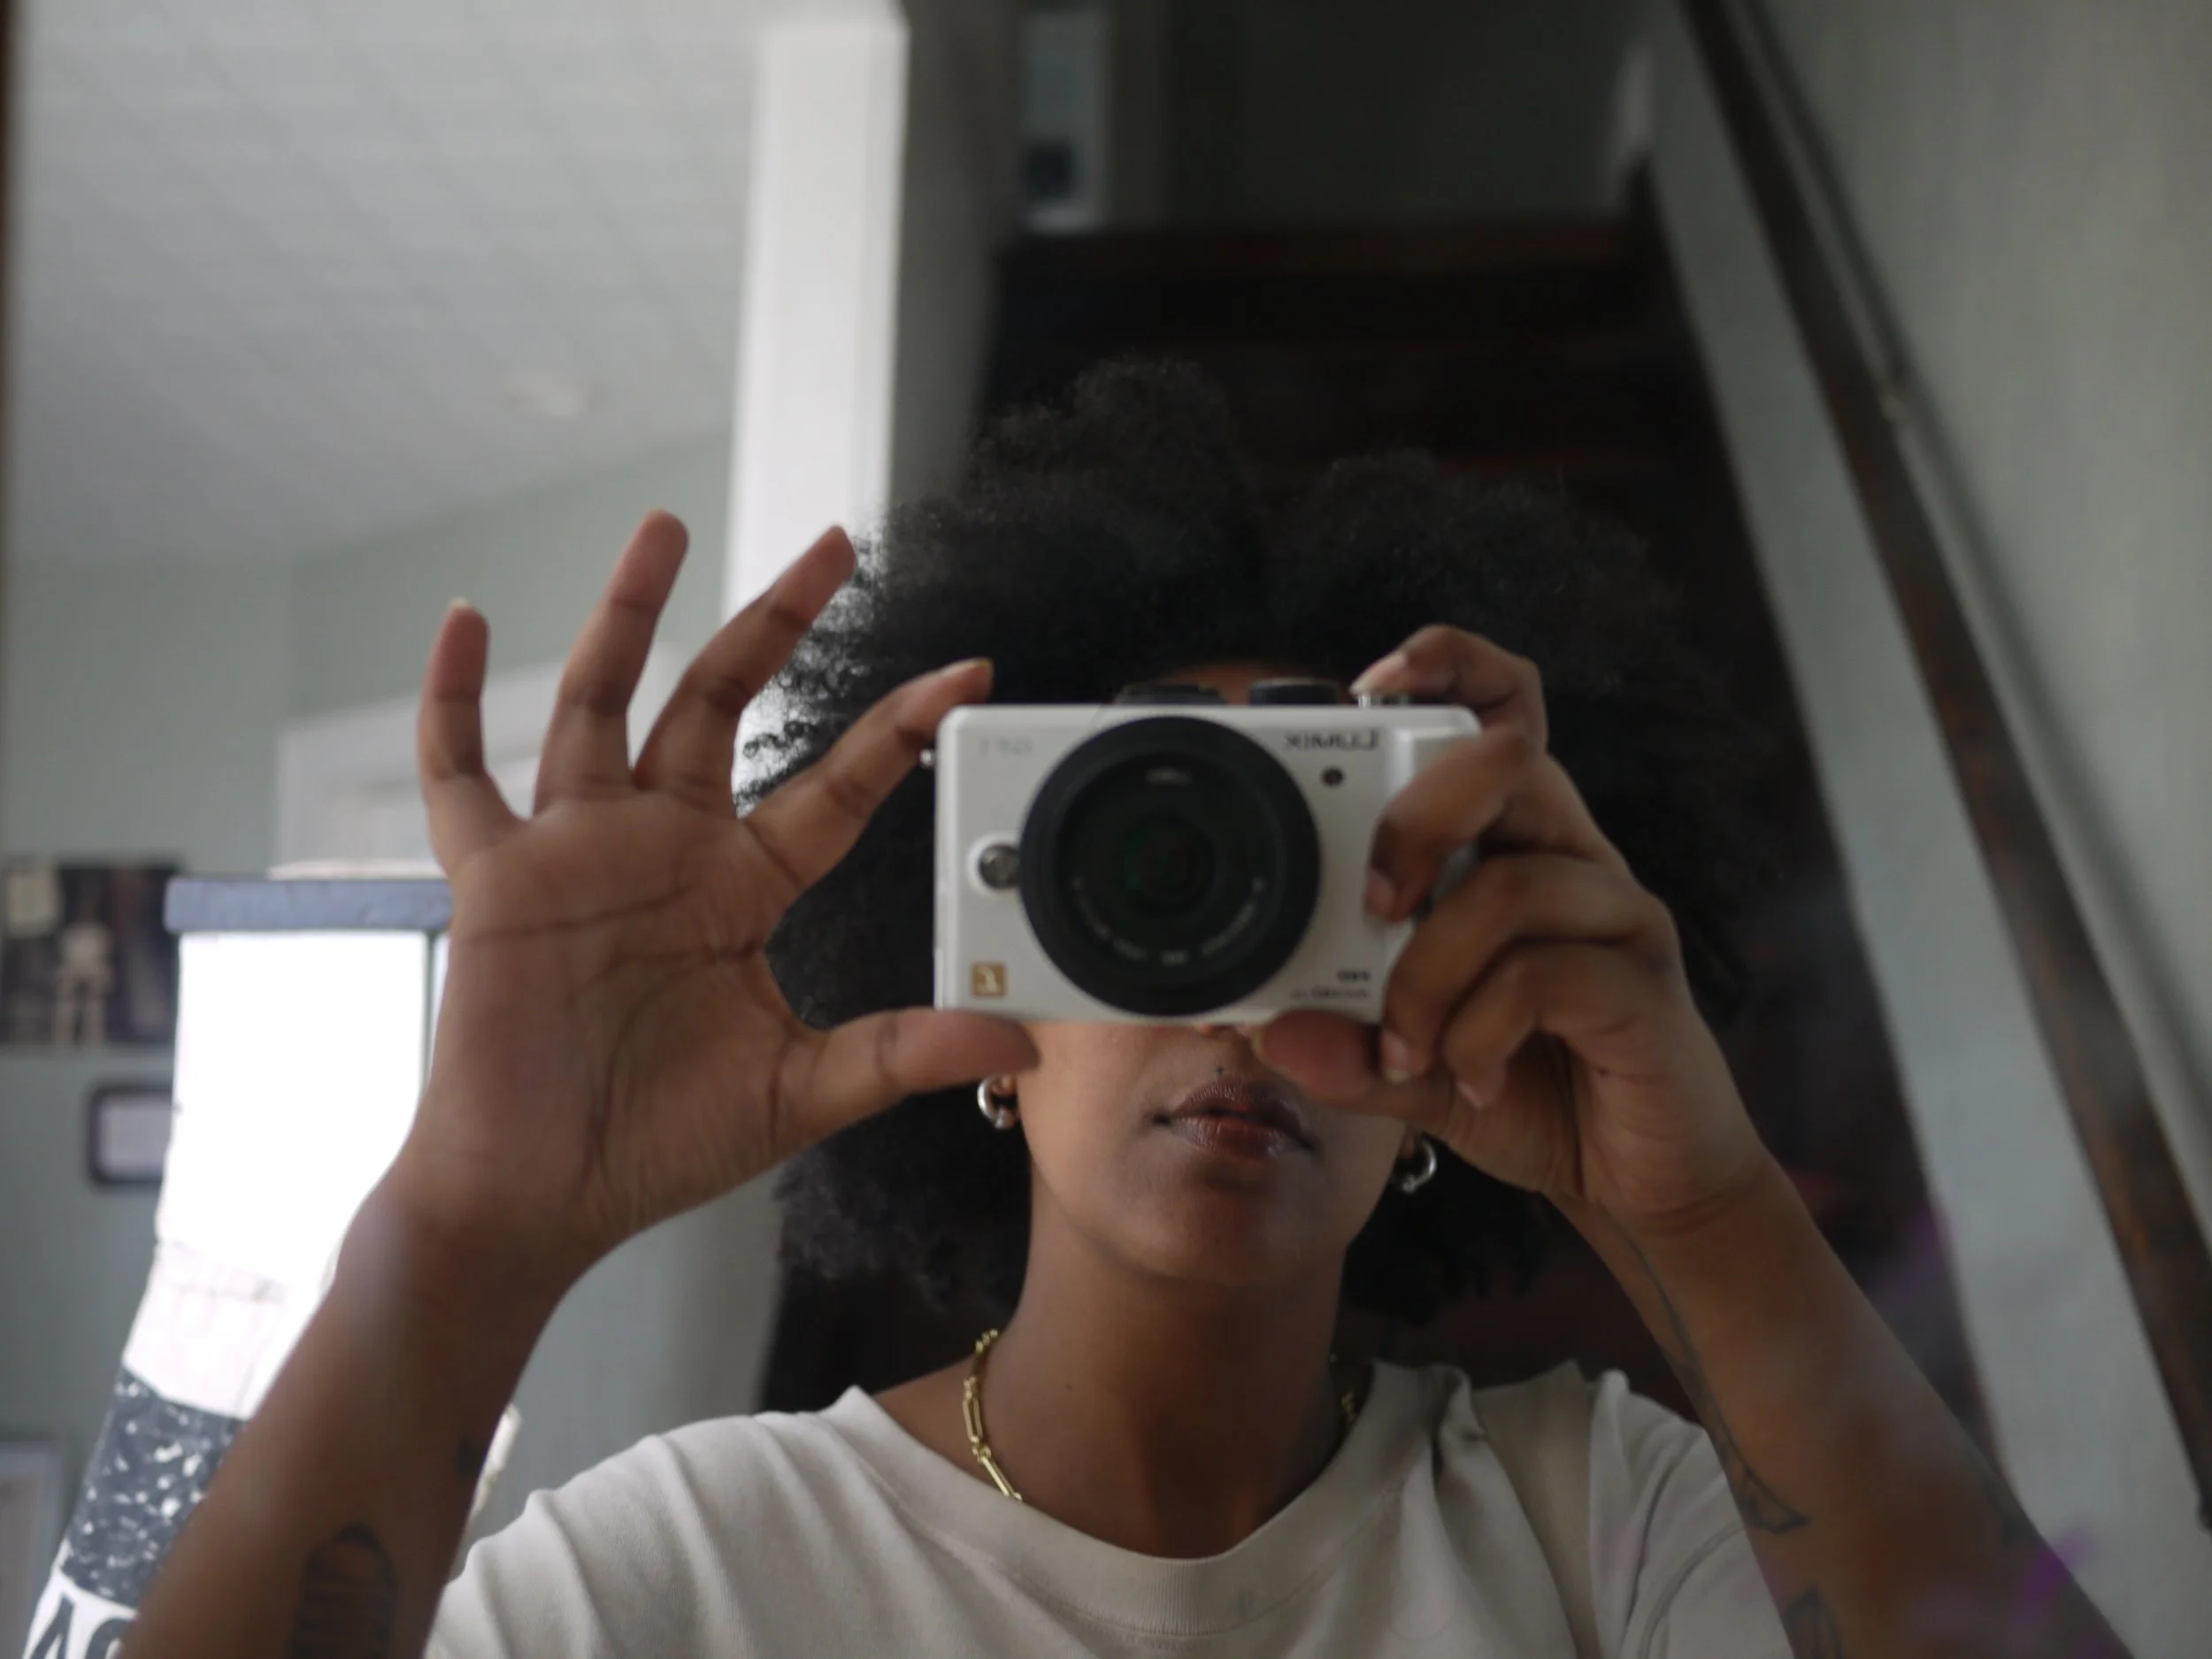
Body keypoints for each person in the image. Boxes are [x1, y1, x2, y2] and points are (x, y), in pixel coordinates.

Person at [128, 365, 2124, 1657]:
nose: (1235, 997)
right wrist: (469, 1228)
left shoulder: (1603, 1523)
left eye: (1329, 877)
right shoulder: (689, 1573)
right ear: (987, 977)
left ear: (1441, 1048)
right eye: (1145, 873)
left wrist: (1704, 1214)